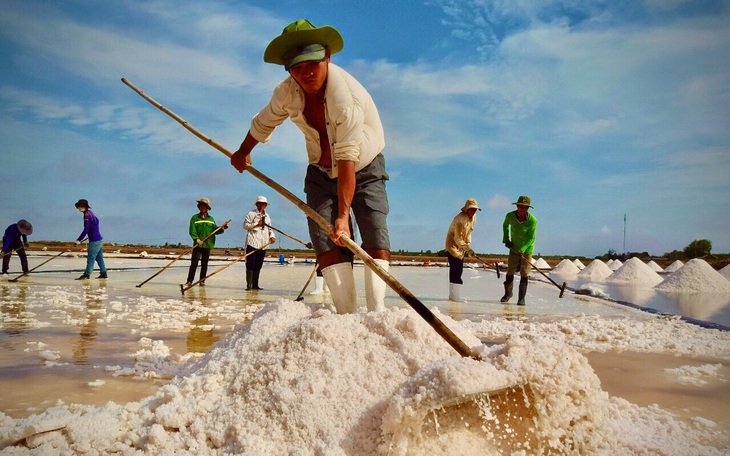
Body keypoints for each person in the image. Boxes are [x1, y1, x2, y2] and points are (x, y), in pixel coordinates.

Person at [230, 19, 390, 314]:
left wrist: (343, 216)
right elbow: (264, 121)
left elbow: (347, 159)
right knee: (324, 239)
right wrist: (243, 151)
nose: (305, 73)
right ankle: (346, 313)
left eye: (311, 64)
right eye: (296, 67)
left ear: (327, 56)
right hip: (319, 171)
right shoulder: (287, 92)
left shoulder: (346, 99)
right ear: (289, 70)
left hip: (363, 168)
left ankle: (377, 311)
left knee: (374, 231)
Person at [501, 195, 537, 305]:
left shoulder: (532, 221)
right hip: (514, 247)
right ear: (517, 206)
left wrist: (523, 249)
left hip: (527, 249)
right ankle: (508, 294)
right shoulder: (510, 216)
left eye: (525, 207)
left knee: (524, 273)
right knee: (510, 271)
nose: (522, 209)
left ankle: (521, 298)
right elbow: (505, 225)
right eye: (520, 206)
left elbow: (531, 238)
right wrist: (506, 238)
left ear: (528, 209)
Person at [185, 198, 227, 287]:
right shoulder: (195, 218)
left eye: (204, 206)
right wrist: (196, 239)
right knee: (194, 263)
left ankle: (202, 281)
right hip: (198, 244)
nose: (202, 207)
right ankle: (189, 281)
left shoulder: (211, 219)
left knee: (204, 264)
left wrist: (222, 228)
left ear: (207, 207)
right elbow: (192, 230)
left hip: (208, 244)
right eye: (201, 206)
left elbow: (215, 231)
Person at [444, 198, 480, 302]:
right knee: (457, 270)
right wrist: (468, 249)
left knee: (455, 270)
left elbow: (469, 233)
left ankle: (452, 295)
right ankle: (455, 296)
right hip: (452, 245)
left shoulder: (474, 218)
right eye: (471, 209)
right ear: (466, 209)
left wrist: (467, 246)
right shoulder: (460, 219)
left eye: (475, 209)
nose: (473, 211)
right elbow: (457, 238)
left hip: (462, 246)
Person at [243, 196, 276, 290]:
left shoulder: (267, 216)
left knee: (258, 264)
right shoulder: (251, 214)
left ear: (266, 205)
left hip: (263, 244)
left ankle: (255, 285)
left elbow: (270, 228)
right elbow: (245, 226)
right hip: (252, 242)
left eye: (263, 204)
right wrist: (256, 224)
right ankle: (249, 285)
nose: (262, 205)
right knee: (250, 264)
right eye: (260, 203)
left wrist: (272, 236)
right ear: (257, 204)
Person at [74, 199, 107, 280]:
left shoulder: (87, 215)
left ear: (85, 207)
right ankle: (103, 273)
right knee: (99, 258)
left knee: (90, 258)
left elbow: (86, 229)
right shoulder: (91, 213)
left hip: (95, 241)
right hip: (98, 239)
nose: (79, 208)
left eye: (81, 206)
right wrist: (94, 231)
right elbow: (97, 222)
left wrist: (79, 240)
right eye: (79, 207)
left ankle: (86, 274)